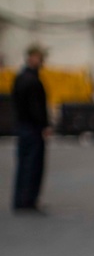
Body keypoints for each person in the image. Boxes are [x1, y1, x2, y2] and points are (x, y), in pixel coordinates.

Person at [11, 45, 52, 213]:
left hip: (23, 126)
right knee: (33, 165)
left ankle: (20, 199)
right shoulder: (32, 80)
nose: (42, 61)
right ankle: (28, 200)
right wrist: (44, 125)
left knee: (23, 164)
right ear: (32, 57)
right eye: (40, 57)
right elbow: (36, 107)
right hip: (32, 128)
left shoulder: (20, 78)